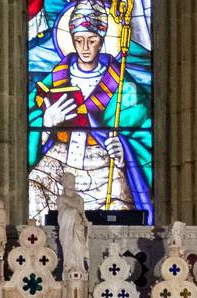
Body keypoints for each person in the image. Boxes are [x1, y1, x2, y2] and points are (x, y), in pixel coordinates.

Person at [28, 0, 153, 220]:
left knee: (117, 214)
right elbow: (31, 113)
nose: (85, 47)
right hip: (57, 164)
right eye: (79, 40)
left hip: (103, 167)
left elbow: (143, 131)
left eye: (92, 40)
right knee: (32, 192)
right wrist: (46, 124)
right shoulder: (56, 76)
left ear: (102, 41)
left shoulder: (123, 83)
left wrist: (124, 149)